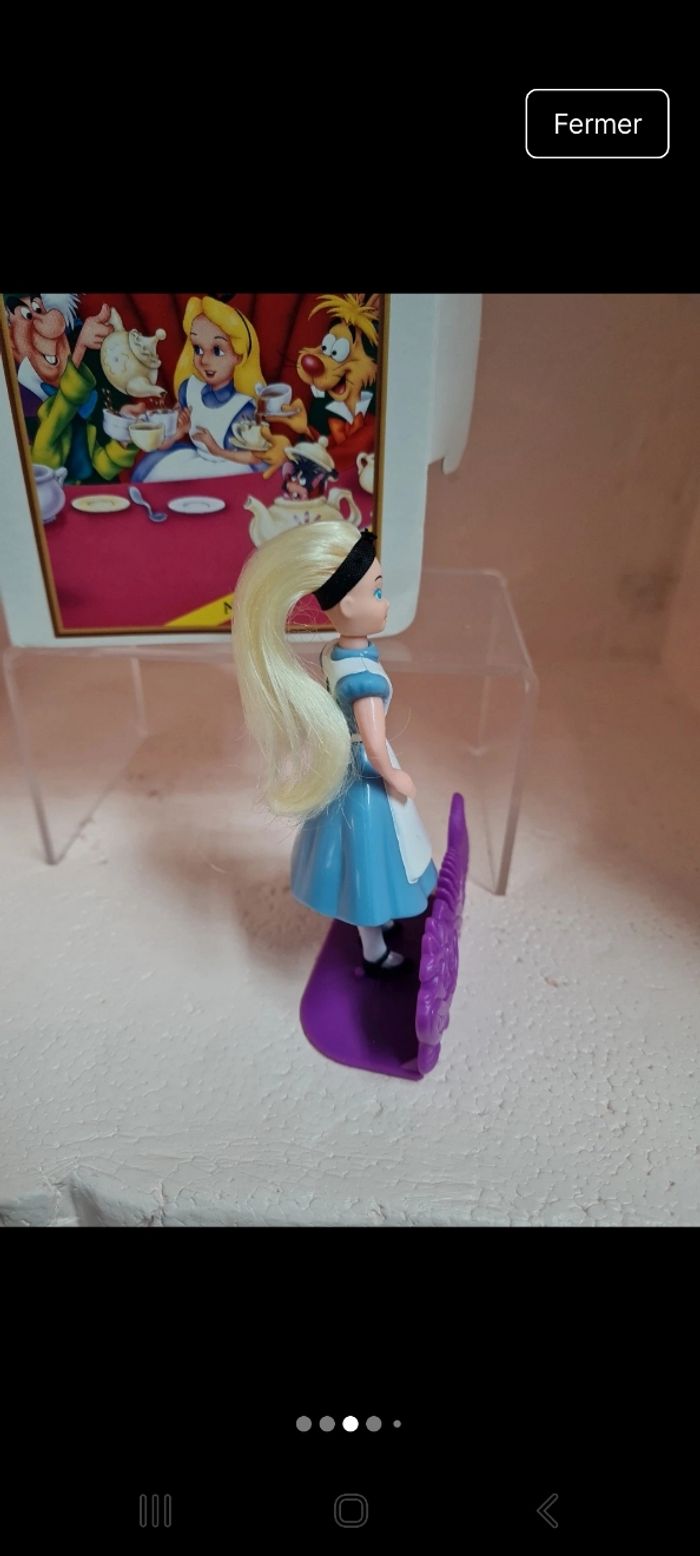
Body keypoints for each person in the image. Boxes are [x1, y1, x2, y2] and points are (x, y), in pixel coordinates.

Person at [231, 523, 437, 974]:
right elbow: (375, 741)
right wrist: (394, 775)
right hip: (364, 774)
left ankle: (376, 927)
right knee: (372, 866)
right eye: (377, 592)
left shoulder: (335, 654)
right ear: (347, 605)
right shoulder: (362, 678)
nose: (386, 602)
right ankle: (374, 950)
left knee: (362, 865)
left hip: (342, 764)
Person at [135, 296, 271, 482]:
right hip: (196, 463)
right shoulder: (189, 389)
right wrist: (178, 432)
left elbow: (256, 458)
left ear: (239, 356)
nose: (204, 360)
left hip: (231, 470)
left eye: (217, 351)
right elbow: (162, 443)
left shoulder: (244, 408)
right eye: (198, 349)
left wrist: (216, 449)